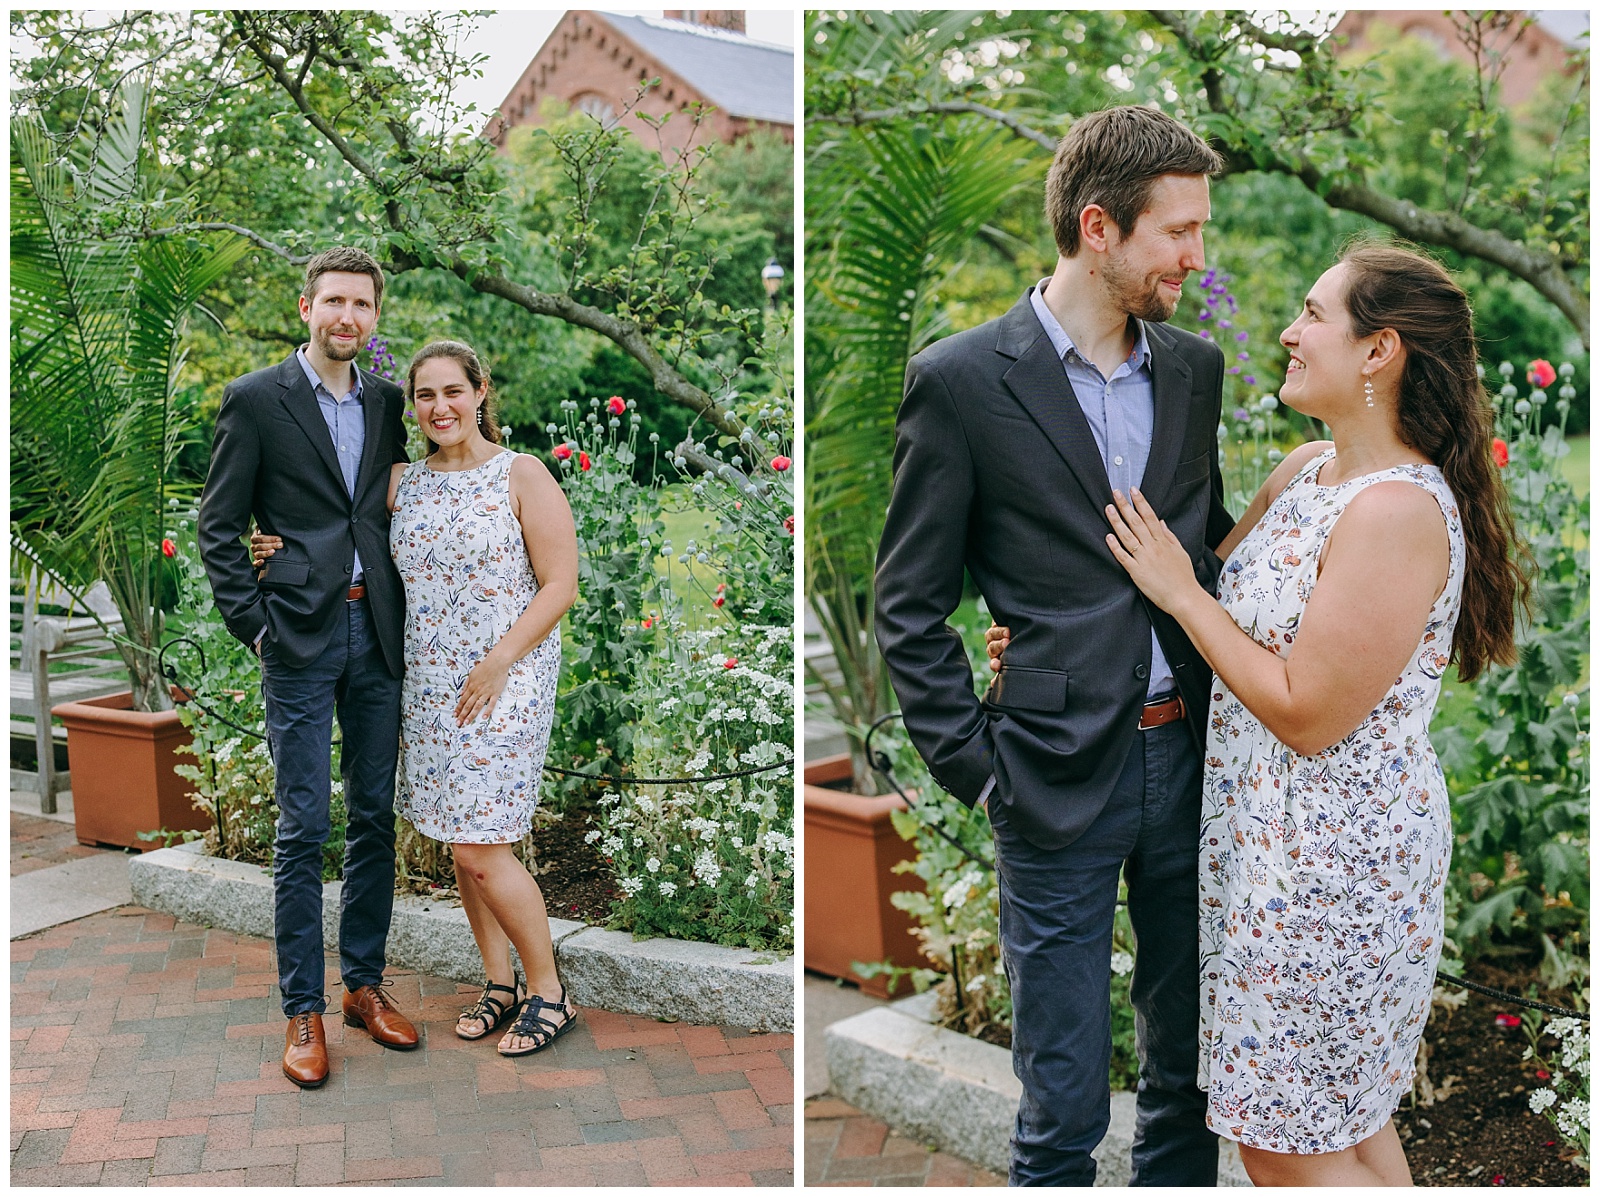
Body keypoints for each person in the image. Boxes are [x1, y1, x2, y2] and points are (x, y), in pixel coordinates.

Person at [988, 242, 1529, 1185]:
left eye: (1315, 314)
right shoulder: (1304, 470)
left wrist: (1181, 594)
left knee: (1287, 1142)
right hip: (1264, 850)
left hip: (1337, 866)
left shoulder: (1398, 511)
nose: (1288, 329)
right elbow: (1187, 596)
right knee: (1345, 1126)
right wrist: (1054, 642)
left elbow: (1305, 710)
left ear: (1379, 350)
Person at [874, 105, 1233, 1186]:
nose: (1194, 255)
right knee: (1062, 1098)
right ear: (1097, 227)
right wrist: (981, 775)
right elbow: (909, 601)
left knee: (1194, 1075)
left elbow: (1203, 549)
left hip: (1194, 765)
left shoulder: (1194, 370)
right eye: (1176, 231)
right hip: (1048, 778)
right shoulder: (961, 382)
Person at [253, 340, 580, 1056]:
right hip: (427, 684)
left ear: (481, 390)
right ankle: (499, 983)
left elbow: (560, 584)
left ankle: (550, 989)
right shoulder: (404, 482)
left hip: (504, 679)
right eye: (425, 396)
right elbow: (330, 516)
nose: (440, 407)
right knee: (460, 846)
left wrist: (498, 661)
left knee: (480, 843)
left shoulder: (521, 475)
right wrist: (272, 547)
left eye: (453, 392)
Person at [199, 247, 419, 1088]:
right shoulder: (257, 399)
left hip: (379, 635)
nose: (347, 318)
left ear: (373, 316)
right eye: (334, 301)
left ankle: (363, 985)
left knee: (372, 816)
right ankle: (304, 1010)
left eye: (361, 305)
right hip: (294, 637)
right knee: (302, 829)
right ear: (305, 307)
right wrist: (254, 627)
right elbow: (220, 525)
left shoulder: (393, 403)